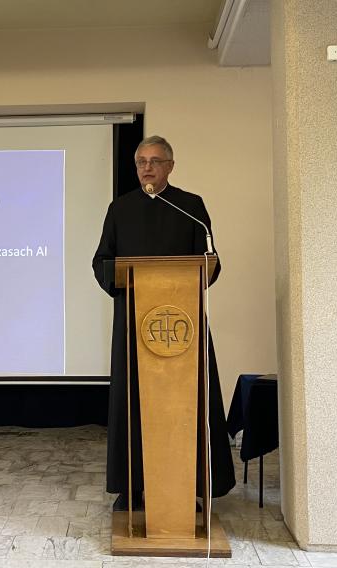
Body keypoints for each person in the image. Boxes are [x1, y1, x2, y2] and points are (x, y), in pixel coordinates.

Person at [92, 135, 235, 511]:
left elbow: (210, 260)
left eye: (155, 161)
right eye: (141, 161)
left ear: (170, 166)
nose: (147, 168)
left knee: (185, 405)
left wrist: (195, 275)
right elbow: (102, 260)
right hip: (135, 325)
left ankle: (189, 488)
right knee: (133, 404)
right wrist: (120, 279)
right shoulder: (120, 208)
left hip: (182, 327)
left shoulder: (190, 207)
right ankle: (132, 487)